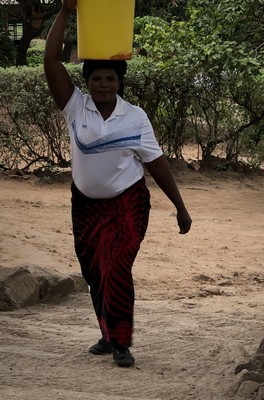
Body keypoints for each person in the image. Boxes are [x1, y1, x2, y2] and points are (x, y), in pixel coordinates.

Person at [44, 0, 192, 368]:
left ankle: (122, 342)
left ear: (120, 82)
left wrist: (180, 206)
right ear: (88, 83)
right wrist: (65, 11)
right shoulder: (75, 107)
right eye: (97, 78)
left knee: (115, 266)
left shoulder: (135, 117)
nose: (104, 84)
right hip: (85, 206)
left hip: (128, 203)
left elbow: (156, 162)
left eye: (110, 79)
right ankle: (108, 334)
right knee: (94, 271)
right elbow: (51, 62)